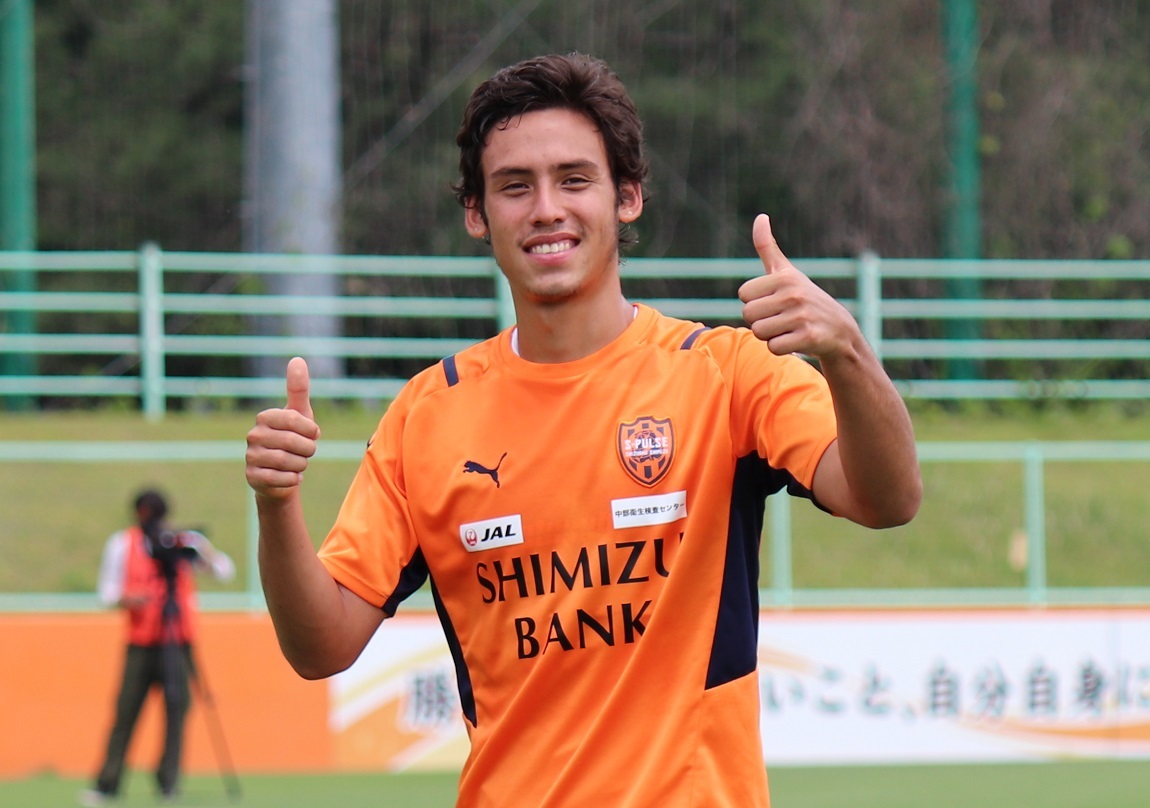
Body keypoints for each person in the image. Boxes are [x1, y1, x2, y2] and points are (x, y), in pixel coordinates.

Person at [245, 53, 921, 808]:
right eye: (514, 186)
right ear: (477, 213)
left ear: (626, 197)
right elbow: (321, 646)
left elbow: (888, 498)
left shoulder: (726, 374)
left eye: (574, 180)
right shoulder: (426, 416)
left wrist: (847, 351)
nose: (546, 209)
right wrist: (277, 506)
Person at [81, 489, 235, 807]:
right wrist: (129, 598)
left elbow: (224, 571)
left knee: (177, 710)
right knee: (126, 712)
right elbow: (106, 593)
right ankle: (108, 782)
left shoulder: (182, 541)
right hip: (141, 643)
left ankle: (168, 781)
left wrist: (198, 549)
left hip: (178, 640)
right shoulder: (122, 543)